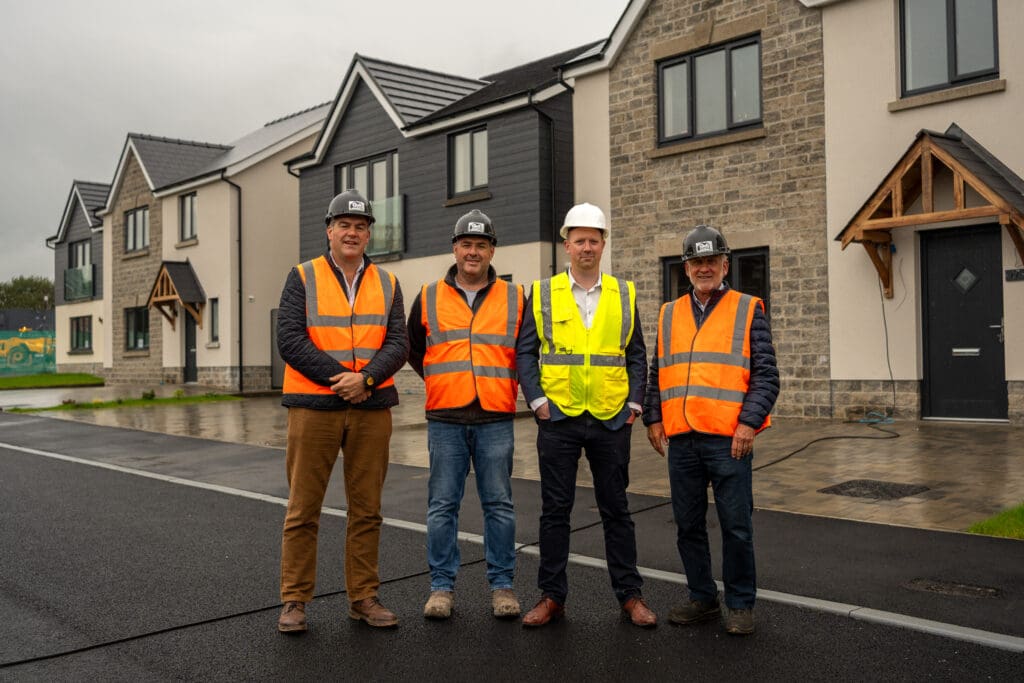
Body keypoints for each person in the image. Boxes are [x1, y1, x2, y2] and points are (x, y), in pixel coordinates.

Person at [515, 202, 656, 628]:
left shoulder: (623, 293)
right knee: (555, 510)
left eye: (594, 240)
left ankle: (630, 596)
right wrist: (537, 400)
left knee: (616, 509)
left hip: (611, 418)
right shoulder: (542, 293)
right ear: (567, 244)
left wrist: (634, 404)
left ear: (603, 244)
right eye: (579, 240)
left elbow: (636, 354)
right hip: (558, 418)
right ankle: (552, 596)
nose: (587, 247)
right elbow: (526, 351)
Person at [276, 188, 409, 633]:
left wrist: (366, 380)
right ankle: (295, 600)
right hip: (314, 407)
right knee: (303, 508)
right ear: (329, 230)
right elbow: (290, 339)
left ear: (369, 233)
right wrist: (342, 379)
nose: (352, 233)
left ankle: (363, 597)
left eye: (361, 226)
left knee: (367, 510)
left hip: (371, 408)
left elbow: (398, 343)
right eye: (344, 225)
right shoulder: (302, 276)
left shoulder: (388, 283)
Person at [643, 224, 779, 636]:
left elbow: (766, 376)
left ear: (725, 264)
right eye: (696, 262)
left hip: (729, 440)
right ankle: (702, 598)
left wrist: (748, 424)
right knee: (688, 525)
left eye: (711, 261)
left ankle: (740, 603)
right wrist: (653, 417)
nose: (704, 268)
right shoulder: (669, 313)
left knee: (737, 525)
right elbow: (657, 373)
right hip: (682, 439)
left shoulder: (747, 308)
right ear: (686, 269)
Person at [407, 209, 525, 620]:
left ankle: (502, 586)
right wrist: (444, 381)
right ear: (454, 248)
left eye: (481, 245)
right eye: (466, 245)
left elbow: (525, 351)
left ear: (492, 250)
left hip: (495, 417)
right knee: (442, 506)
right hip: (446, 419)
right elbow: (414, 348)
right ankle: (441, 588)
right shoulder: (428, 295)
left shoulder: (516, 296)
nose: (473, 252)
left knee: (500, 505)